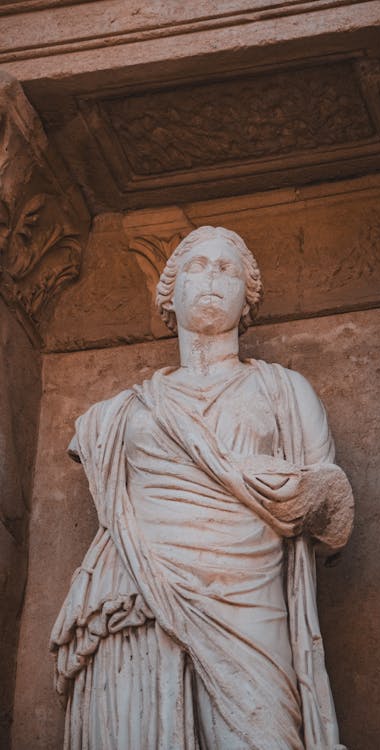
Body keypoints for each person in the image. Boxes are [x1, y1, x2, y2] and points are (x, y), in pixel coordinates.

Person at [51, 226, 354, 750]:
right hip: (138, 592)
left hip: (249, 595)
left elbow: (331, 507)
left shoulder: (284, 390)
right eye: (197, 266)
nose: (212, 278)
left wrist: (286, 490)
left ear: (247, 297)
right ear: (169, 293)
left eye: (227, 269)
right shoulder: (116, 414)